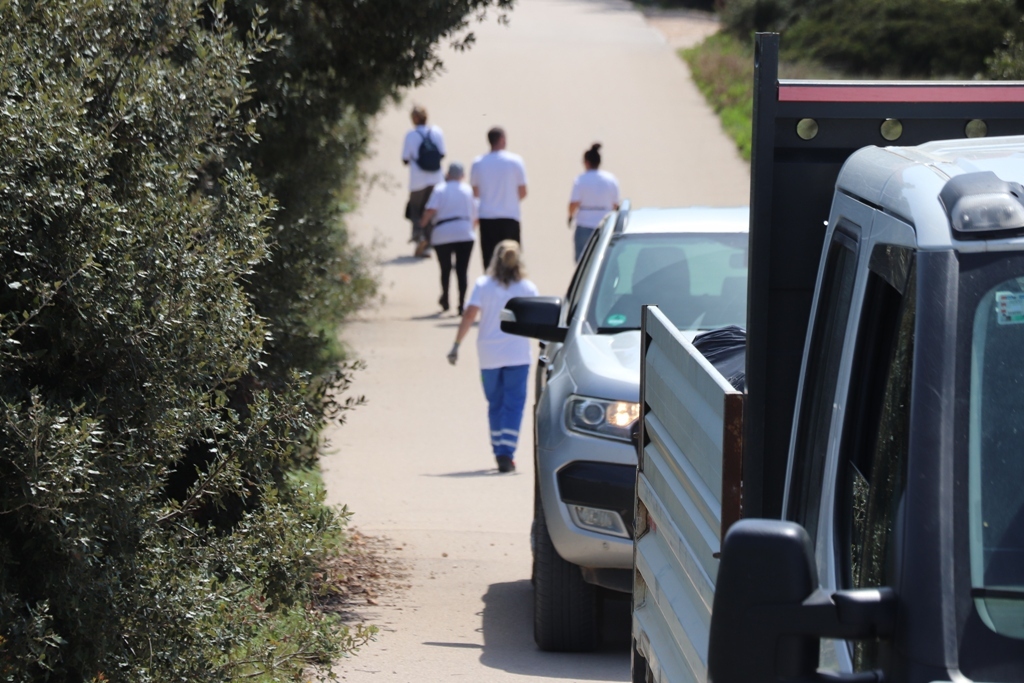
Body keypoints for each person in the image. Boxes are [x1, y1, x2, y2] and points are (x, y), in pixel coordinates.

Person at [447, 241, 538, 473]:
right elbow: (538, 319)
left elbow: (469, 315)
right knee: (514, 405)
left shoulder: (483, 285)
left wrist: (457, 344)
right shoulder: (527, 288)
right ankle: (506, 453)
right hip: (518, 356)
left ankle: (498, 448)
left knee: (494, 404)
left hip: (489, 356)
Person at [421, 162, 476, 314]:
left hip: (442, 232)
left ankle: (445, 298)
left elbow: (431, 210)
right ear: (462, 176)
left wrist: (422, 226)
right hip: (465, 232)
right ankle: (461, 304)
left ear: (448, 175)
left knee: (445, 269)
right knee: (462, 270)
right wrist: (470, 229)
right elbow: (475, 215)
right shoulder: (467, 190)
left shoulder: (440, 189)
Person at [470, 127, 527, 270]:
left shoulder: (478, 162)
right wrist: (509, 201)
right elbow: (523, 191)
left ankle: (490, 291)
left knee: (490, 261)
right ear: (502, 139)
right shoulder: (515, 161)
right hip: (510, 216)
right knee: (512, 260)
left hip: (487, 217)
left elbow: (475, 192)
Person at [402, 106, 446, 256]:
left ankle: (419, 236)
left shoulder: (411, 135)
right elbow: (442, 154)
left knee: (415, 210)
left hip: (417, 180)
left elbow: (405, 159)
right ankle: (428, 244)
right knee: (431, 211)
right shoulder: (436, 132)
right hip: (436, 179)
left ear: (414, 119)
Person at [568, 143, 620, 262]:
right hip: (605, 223)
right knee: (605, 260)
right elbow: (616, 205)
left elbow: (573, 203)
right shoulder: (611, 179)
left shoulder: (580, 179)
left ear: (586, 162)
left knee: (582, 262)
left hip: (584, 224)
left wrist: (570, 216)